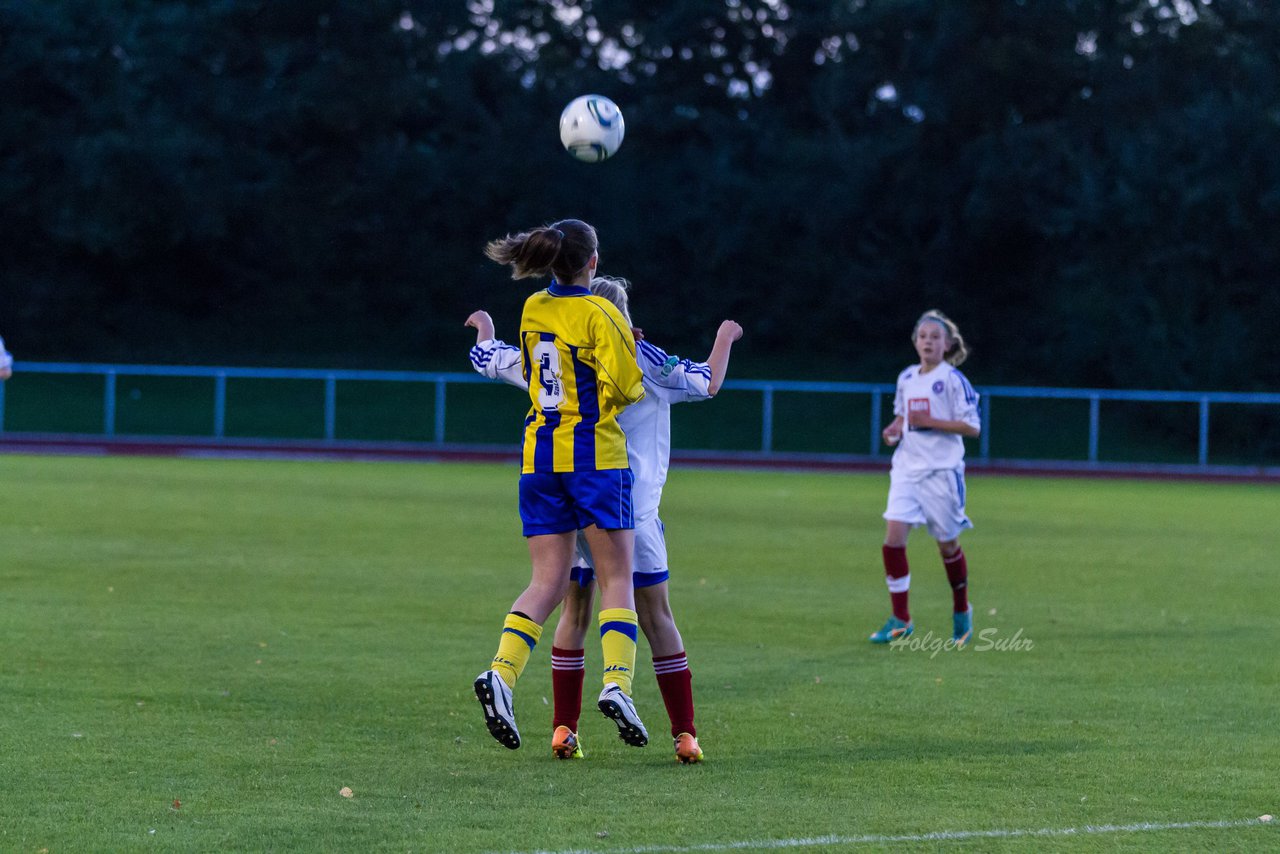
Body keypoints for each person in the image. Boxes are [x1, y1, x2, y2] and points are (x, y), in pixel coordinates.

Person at [467, 277, 743, 763]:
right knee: (657, 617)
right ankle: (682, 732)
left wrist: (485, 328)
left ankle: (563, 730)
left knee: (571, 611)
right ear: (621, 318)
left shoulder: (551, 349)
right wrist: (725, 337)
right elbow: (708, 382)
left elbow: (491, 360)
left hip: (565, 492)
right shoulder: (642, 356)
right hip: (625, 506)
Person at [472, 219, 650, 753]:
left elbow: (534, 371)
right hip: (594, 457)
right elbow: (627, 389)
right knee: (617, 577)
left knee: (547, 579)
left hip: (539, 455)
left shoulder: (531, 309)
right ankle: (617, 684)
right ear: (592, 264)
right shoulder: (601, 312)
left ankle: (502, 675)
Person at [870, 309, 981, 646]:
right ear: (915, 342)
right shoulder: (906, 378)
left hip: (942, 473)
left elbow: (973, 427)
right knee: (893, 541)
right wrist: (894, 429)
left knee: (947, 545)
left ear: (947, 344)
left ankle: (962, 610)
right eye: (922, 337)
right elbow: (904, 420)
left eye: (935, 337)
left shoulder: (952, 380)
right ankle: (901, 619)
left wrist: (932, 421)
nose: (928, 342)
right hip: (906, 468)